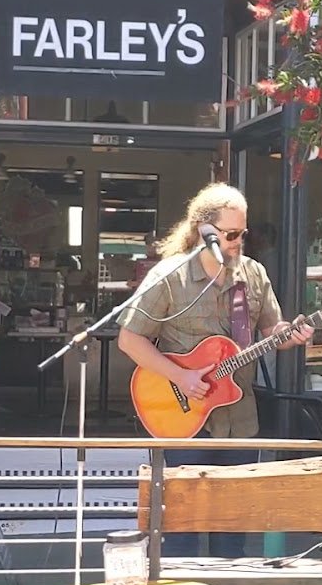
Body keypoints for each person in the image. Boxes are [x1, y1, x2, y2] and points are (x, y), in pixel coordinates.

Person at [117, 182, 312, 557]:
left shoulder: (252, 275)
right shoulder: (170, 276)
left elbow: (272, 331)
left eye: (243, 233)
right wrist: (181, 376)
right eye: (231, 234)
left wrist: (292, 333)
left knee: (232, 527)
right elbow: (130, 339)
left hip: (239, 419)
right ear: (204, 231)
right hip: (183, 420)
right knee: (182, 528)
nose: (239, 241)